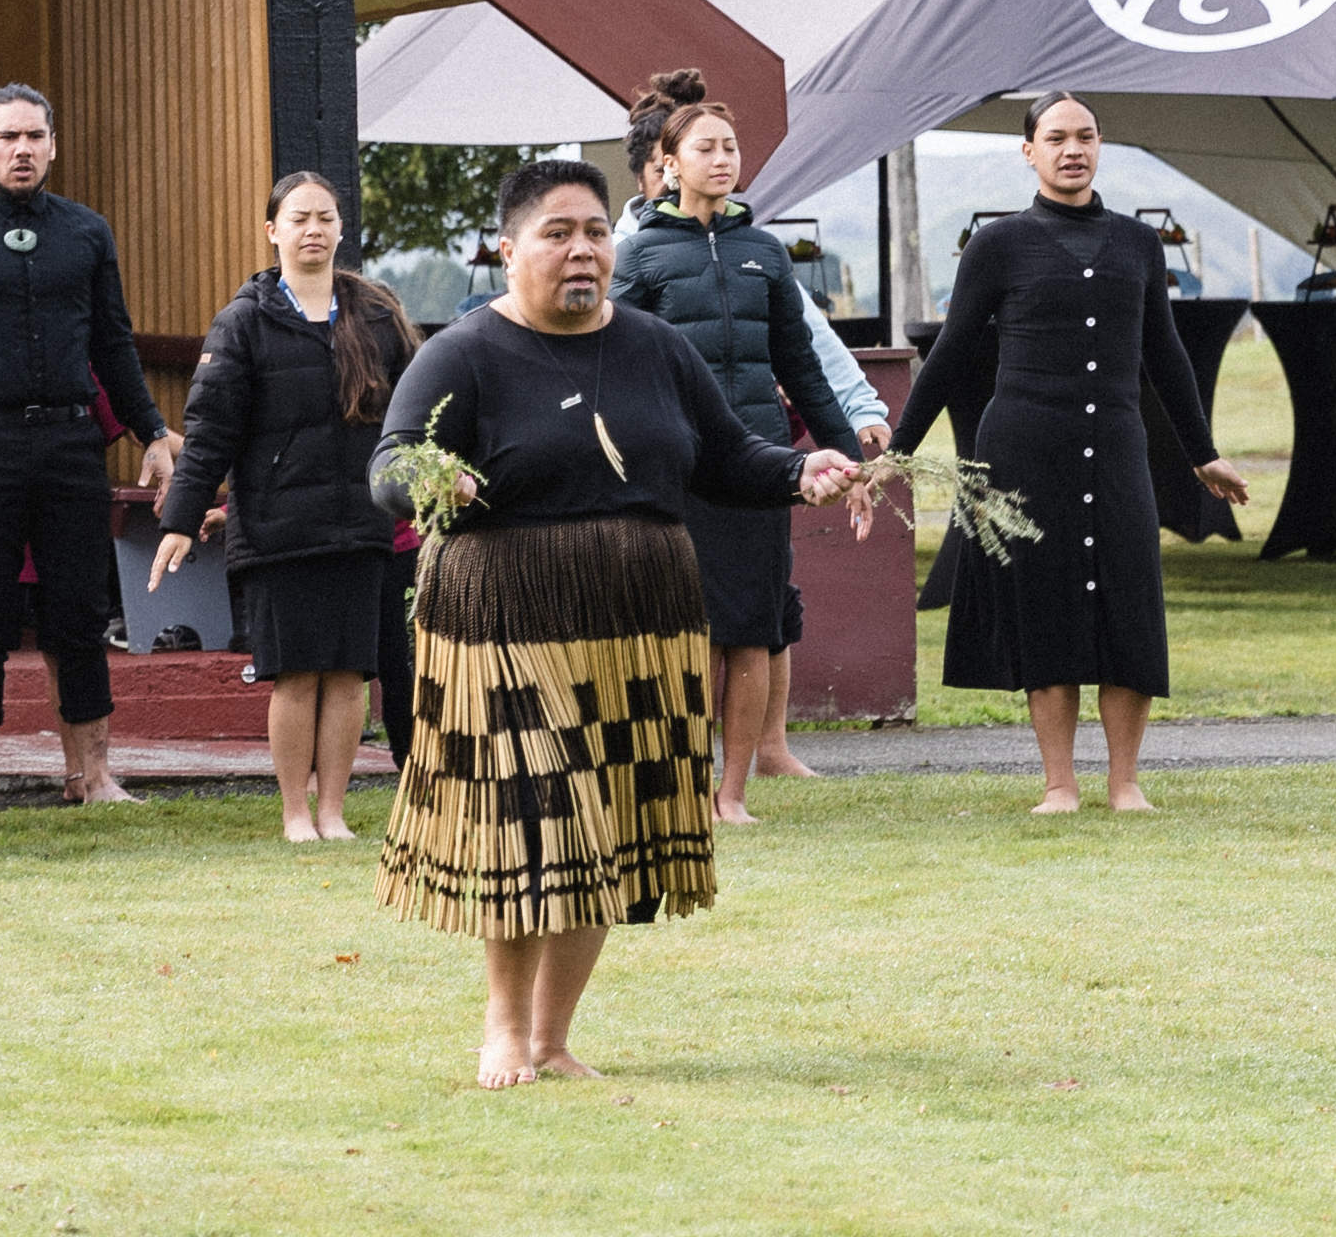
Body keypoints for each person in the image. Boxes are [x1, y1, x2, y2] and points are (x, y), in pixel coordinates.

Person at [374, 156, 860, 1087]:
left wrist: (801, 472)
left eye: (595, 232)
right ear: (508, 250)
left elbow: (724, 456)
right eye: (557, 234)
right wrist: (435, 481)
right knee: (529, 821)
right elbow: (394, 458)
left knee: (606, 828)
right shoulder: (464, 352)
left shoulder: (653, 346)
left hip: (640, 619)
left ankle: (553, 1038)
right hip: (505, 620)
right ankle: (504, 1026)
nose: (581, 250)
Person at [897, 93, 1249, 815]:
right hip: (1024, 449)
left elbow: (1167, 355)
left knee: (1128, 607)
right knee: (1045, 607)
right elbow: (953, 351)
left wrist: (1202, 454)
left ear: (1099, 146)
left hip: (1117, 446)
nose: (1072, 149)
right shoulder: (998, 244)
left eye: (1085, 136)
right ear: (1029, 151)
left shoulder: (1137, 244)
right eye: (1055, 137)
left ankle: (1126, 783)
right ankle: (1060, 783)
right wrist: (898, 451)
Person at [612, 79, 875, 827]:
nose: (723, 159)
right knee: (691, 637)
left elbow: (802, 368)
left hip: (761, 469)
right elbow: (613, 363)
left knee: (754, 632)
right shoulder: (638, 256)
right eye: (706, 148)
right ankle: (688, 791)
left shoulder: (765, 252)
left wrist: (844, 451)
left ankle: (734, 796)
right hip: (679, 472)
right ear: (668, 163)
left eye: (730, 147)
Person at [0, 83, 182, 810]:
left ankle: (91, 776)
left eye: (35, 137)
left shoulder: (87, 232)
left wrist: (150, 430)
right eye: (8, 138)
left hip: (70, 442)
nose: (22, 150)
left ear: (53, 145)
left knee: (78, 614)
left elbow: (112, 341)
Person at [151, 171, 415, 842]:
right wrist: (180, 519)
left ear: (340, 228)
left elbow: (413, 419)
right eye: (299, 219)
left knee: (351, 674)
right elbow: (210, 431)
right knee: (296, 675)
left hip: (361, 526)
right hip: (276, 528)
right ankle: (297, 812)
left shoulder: (378, 318)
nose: (314, 231)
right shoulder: (243, 322)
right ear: (273, 231)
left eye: (325, 218)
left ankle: (334, 812)